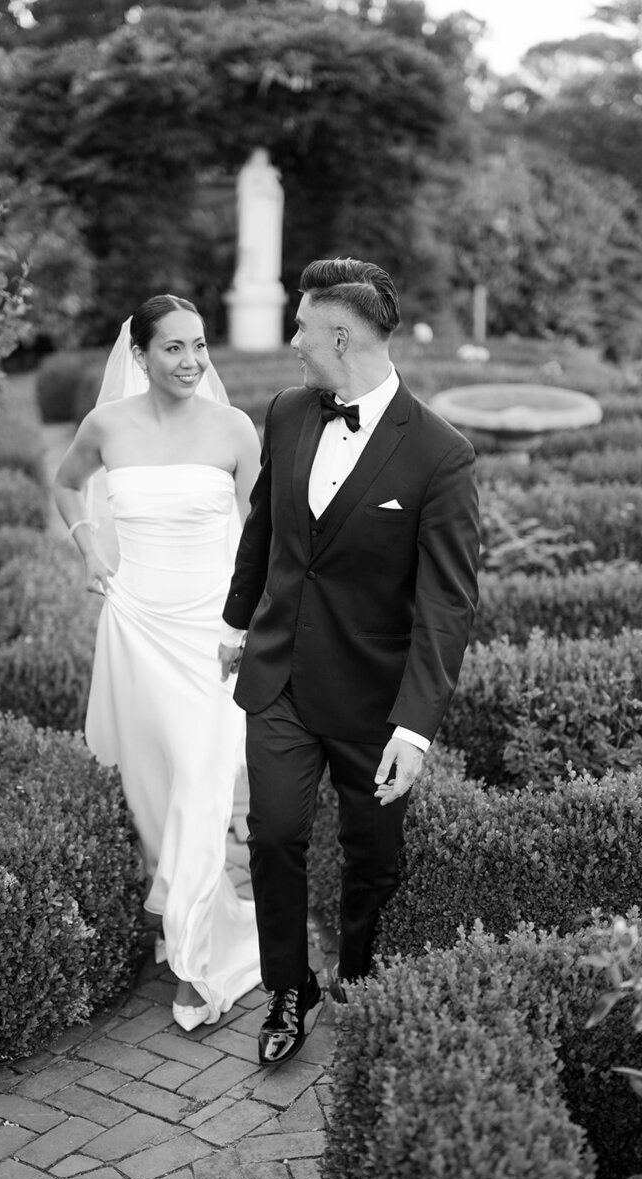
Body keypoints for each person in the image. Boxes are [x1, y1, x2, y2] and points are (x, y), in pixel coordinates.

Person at [219, 258, 480, 1065]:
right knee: (273, 836)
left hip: (374, 702)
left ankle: (361, 980)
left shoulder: (442, 454)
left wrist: (417, 726)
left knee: (373, 857)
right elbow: (263, 531)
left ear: (340, 334)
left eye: (301, 327)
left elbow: (448, 602)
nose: (293, 341)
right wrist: (235, 620)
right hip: (281, 681)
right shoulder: (289, 412)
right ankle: (287, 991)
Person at [54, 294, 263, 1031]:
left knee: (203, 786)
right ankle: (184, 917)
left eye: (199, 346)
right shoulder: (107, 425)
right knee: (153, 790)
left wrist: (253, 624)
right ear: (138, 355)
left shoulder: (234, 429)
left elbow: (262, 535)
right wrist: (89, 545)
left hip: (212, 635)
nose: (190, 362)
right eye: (173, 348)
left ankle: (194, 961)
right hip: (137, 624)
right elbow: (64, 482)